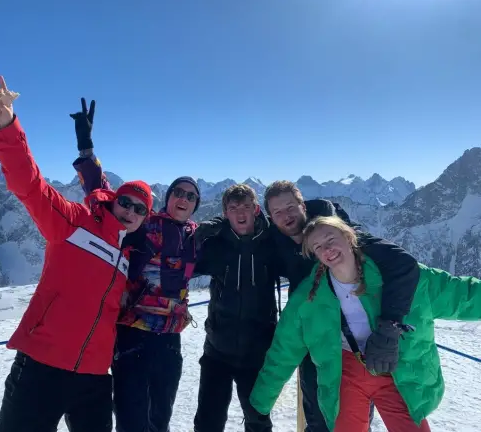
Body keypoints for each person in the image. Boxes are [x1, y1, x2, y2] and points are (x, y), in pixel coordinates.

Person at [0, 76, 153, 432]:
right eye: (126, 202)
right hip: (41, 366)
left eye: (140, 210)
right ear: (114, 200)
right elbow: (29, 185)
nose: (131, 212)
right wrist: (7, 127)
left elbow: (98, 184)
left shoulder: (129, 253)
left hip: (93, 377)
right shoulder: (75, 223)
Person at [249, 214, 481, 431]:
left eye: (331, 239)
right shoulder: (307, 299)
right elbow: (282, 353)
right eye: (318, 247)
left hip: (399, 369)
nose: (327, 249)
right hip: (346, 373)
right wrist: (259, 403)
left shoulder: (400, 279)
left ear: (349, 237)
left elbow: (462, 295)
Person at [70, 99, 200, 432]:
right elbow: (105, 197)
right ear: (168, 197)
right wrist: (87, 149)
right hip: (132, 336)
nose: (183, 199)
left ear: (195, 206)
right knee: (131, 419)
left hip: (171, 342)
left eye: (190, 196)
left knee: (160, 420)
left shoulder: (198, 236)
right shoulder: (143, 224)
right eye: (178, 193)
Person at [263, 180, 421, 431]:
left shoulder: (336, 229)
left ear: (302, 205)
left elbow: (403, 265)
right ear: (271, 217)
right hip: (313, 338)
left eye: (290, 207)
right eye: (278, 212)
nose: (286, 216)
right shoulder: (275, 238)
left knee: (352, 418)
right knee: (316, 413)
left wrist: (390, 324)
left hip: (355, 344)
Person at [191, 184, 281, 432]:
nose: (240, 214)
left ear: (256, 209)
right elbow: (180, 262)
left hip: (257, 352)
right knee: (208, 420)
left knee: (258, 421)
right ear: (225, 213)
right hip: (217, 350)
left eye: (246, 207)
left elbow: (302, 245)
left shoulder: (273, 242)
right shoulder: (216, 244)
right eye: (233, 209)